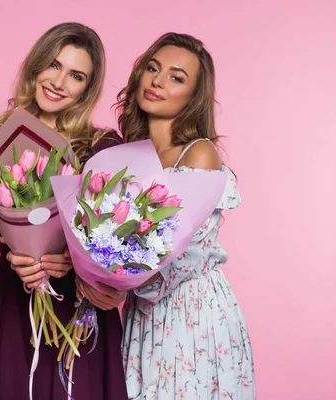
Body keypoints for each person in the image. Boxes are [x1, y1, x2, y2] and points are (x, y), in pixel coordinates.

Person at [0, 22, 127, 400]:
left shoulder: (102, 147)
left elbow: (115, 240)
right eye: (54, 65)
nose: (59, 82)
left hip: (79, 316)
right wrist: (14, 256)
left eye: (76, 75)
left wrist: (74, 264)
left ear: (87, 88)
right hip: (8, 307)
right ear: (35, 65)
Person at [91, 32, 256, 399]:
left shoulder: (199, 153)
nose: (158, 81)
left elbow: (183, 257)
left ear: (193, 96)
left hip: (191, 313)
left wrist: (116, 285)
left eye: (176, 77)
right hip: (143, 316)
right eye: (153, 68)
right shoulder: (127, 157)